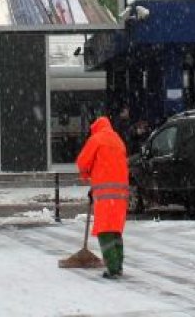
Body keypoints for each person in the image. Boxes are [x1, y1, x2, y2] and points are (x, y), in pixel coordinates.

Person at [75, 116, 130, 280]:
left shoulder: (97, 139)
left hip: (106, 194)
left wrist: (86, 174)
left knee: (105, 230)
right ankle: (118, 265)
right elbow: (111, 166)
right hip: (121, 194)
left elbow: (82, 161)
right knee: (115, 230)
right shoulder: (118, 140)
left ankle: (112, 268)